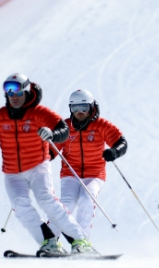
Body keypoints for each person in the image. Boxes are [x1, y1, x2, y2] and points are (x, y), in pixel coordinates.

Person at [0, 73, 94, 254]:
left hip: (38, 167)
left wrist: (52, 134)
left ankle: (80, 241)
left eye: (18, 93)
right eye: (10, 93)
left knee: (47, 200)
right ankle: (49, 243)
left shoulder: (40, 113)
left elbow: (63, 130)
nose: (14, 97)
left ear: (27, 92)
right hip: (12, 173)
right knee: (19, 205)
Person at [49, 89, 127, 243]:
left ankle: (81, 242)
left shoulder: (101, 125)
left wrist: (114, 152)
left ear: (91, 107)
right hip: (70, 174)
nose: (79, 112)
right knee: (66, 204)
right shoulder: (65, 127)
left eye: (84, 108)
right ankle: (50, 241)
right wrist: (42, 157)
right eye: (75, 108)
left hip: (94, 174)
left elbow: (121, 142)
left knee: (87, 200)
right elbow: (52, 149)